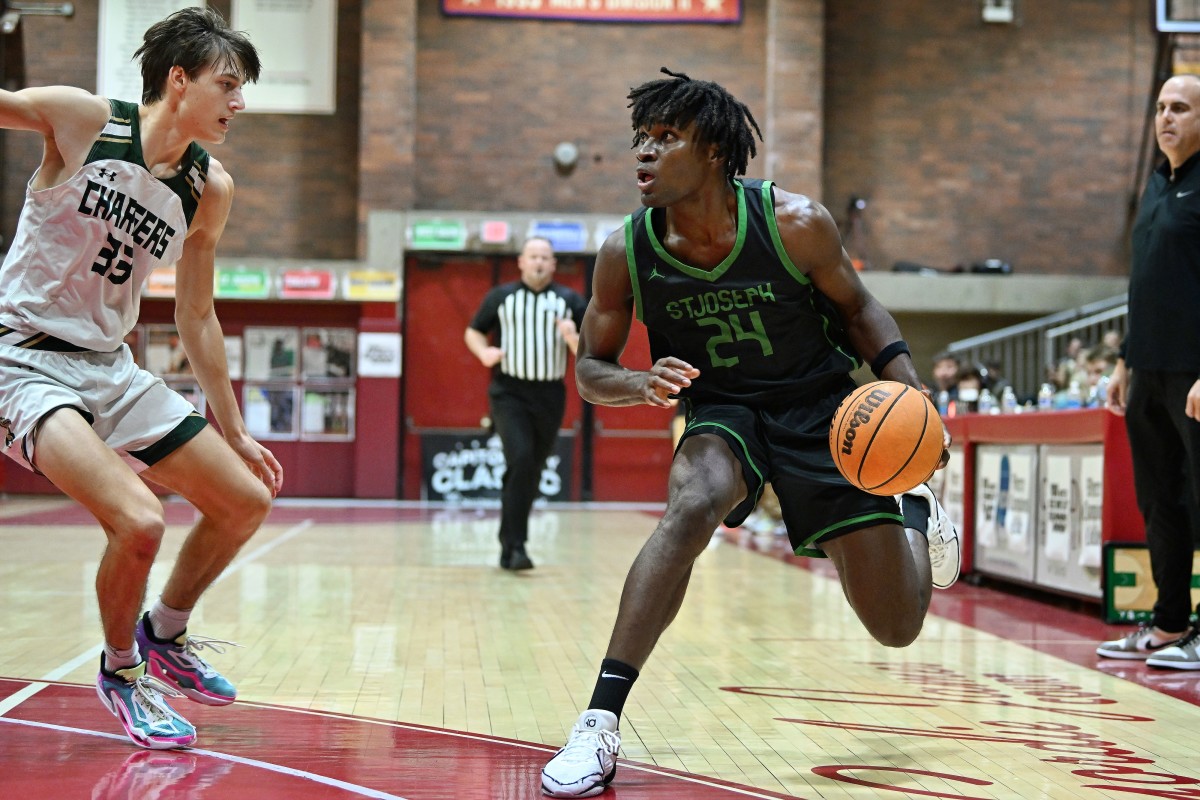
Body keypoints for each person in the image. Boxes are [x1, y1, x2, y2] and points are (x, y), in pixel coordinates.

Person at [539, 69, 960, 798]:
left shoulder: (795, 223)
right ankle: (599, 722)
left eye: (666, 137)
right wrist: (640, 385)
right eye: (640, 137)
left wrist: (911, 393)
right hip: (721, 409)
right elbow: (592, 370)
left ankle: (914, 504)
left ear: (713, 155)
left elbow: (862, 312)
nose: (644, 150)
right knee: (693, 502)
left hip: (825, 412)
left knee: (897, 626)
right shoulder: (625, 251)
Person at [0, 7, 280, 749]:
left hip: (110, 367)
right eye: (228, 84)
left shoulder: (207, 187)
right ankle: (122, 671)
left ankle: (165, 633)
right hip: (22, 358)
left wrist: (236, 427)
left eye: (243, 88)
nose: (239, 102)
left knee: (245, 500)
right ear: (179, 80)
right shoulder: (85, 119)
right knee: (140, 519)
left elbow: (197, 316)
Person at [1099, 73, 1200, 670]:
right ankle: (1168, 625)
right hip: (1149, 370)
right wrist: (1122, 361)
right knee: (1160, 499)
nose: (1166, 117)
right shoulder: (1158, 183)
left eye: (1181, 108)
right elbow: (1147, 284)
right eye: (1161, 107)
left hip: (1194, 375)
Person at [464, 236, 587, 571]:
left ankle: (509, 545)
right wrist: (483, 352)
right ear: (521, 261)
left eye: (544, 257)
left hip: (549, 394)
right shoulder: (501, 297)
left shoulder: (570, 301)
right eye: (532, 256)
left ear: (553, 264)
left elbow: (589, 352)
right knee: (519, 457)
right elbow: (473, 331)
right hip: (509, 392)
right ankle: (516, 546)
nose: (538, 262)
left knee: (530, 468)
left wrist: (572, 337)